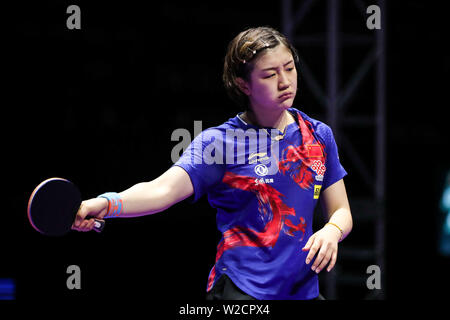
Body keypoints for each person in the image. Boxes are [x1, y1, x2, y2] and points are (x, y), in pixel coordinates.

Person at [72, 26, 353, 300]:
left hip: (302, 290)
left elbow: (341, 211)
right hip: (243, 291)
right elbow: (162, 191)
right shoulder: (219, 143)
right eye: (269, 75)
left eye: (289, 68)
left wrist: (332, 230)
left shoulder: (318, 135)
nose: (285, 81)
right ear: (244, 85)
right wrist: (106, 204)